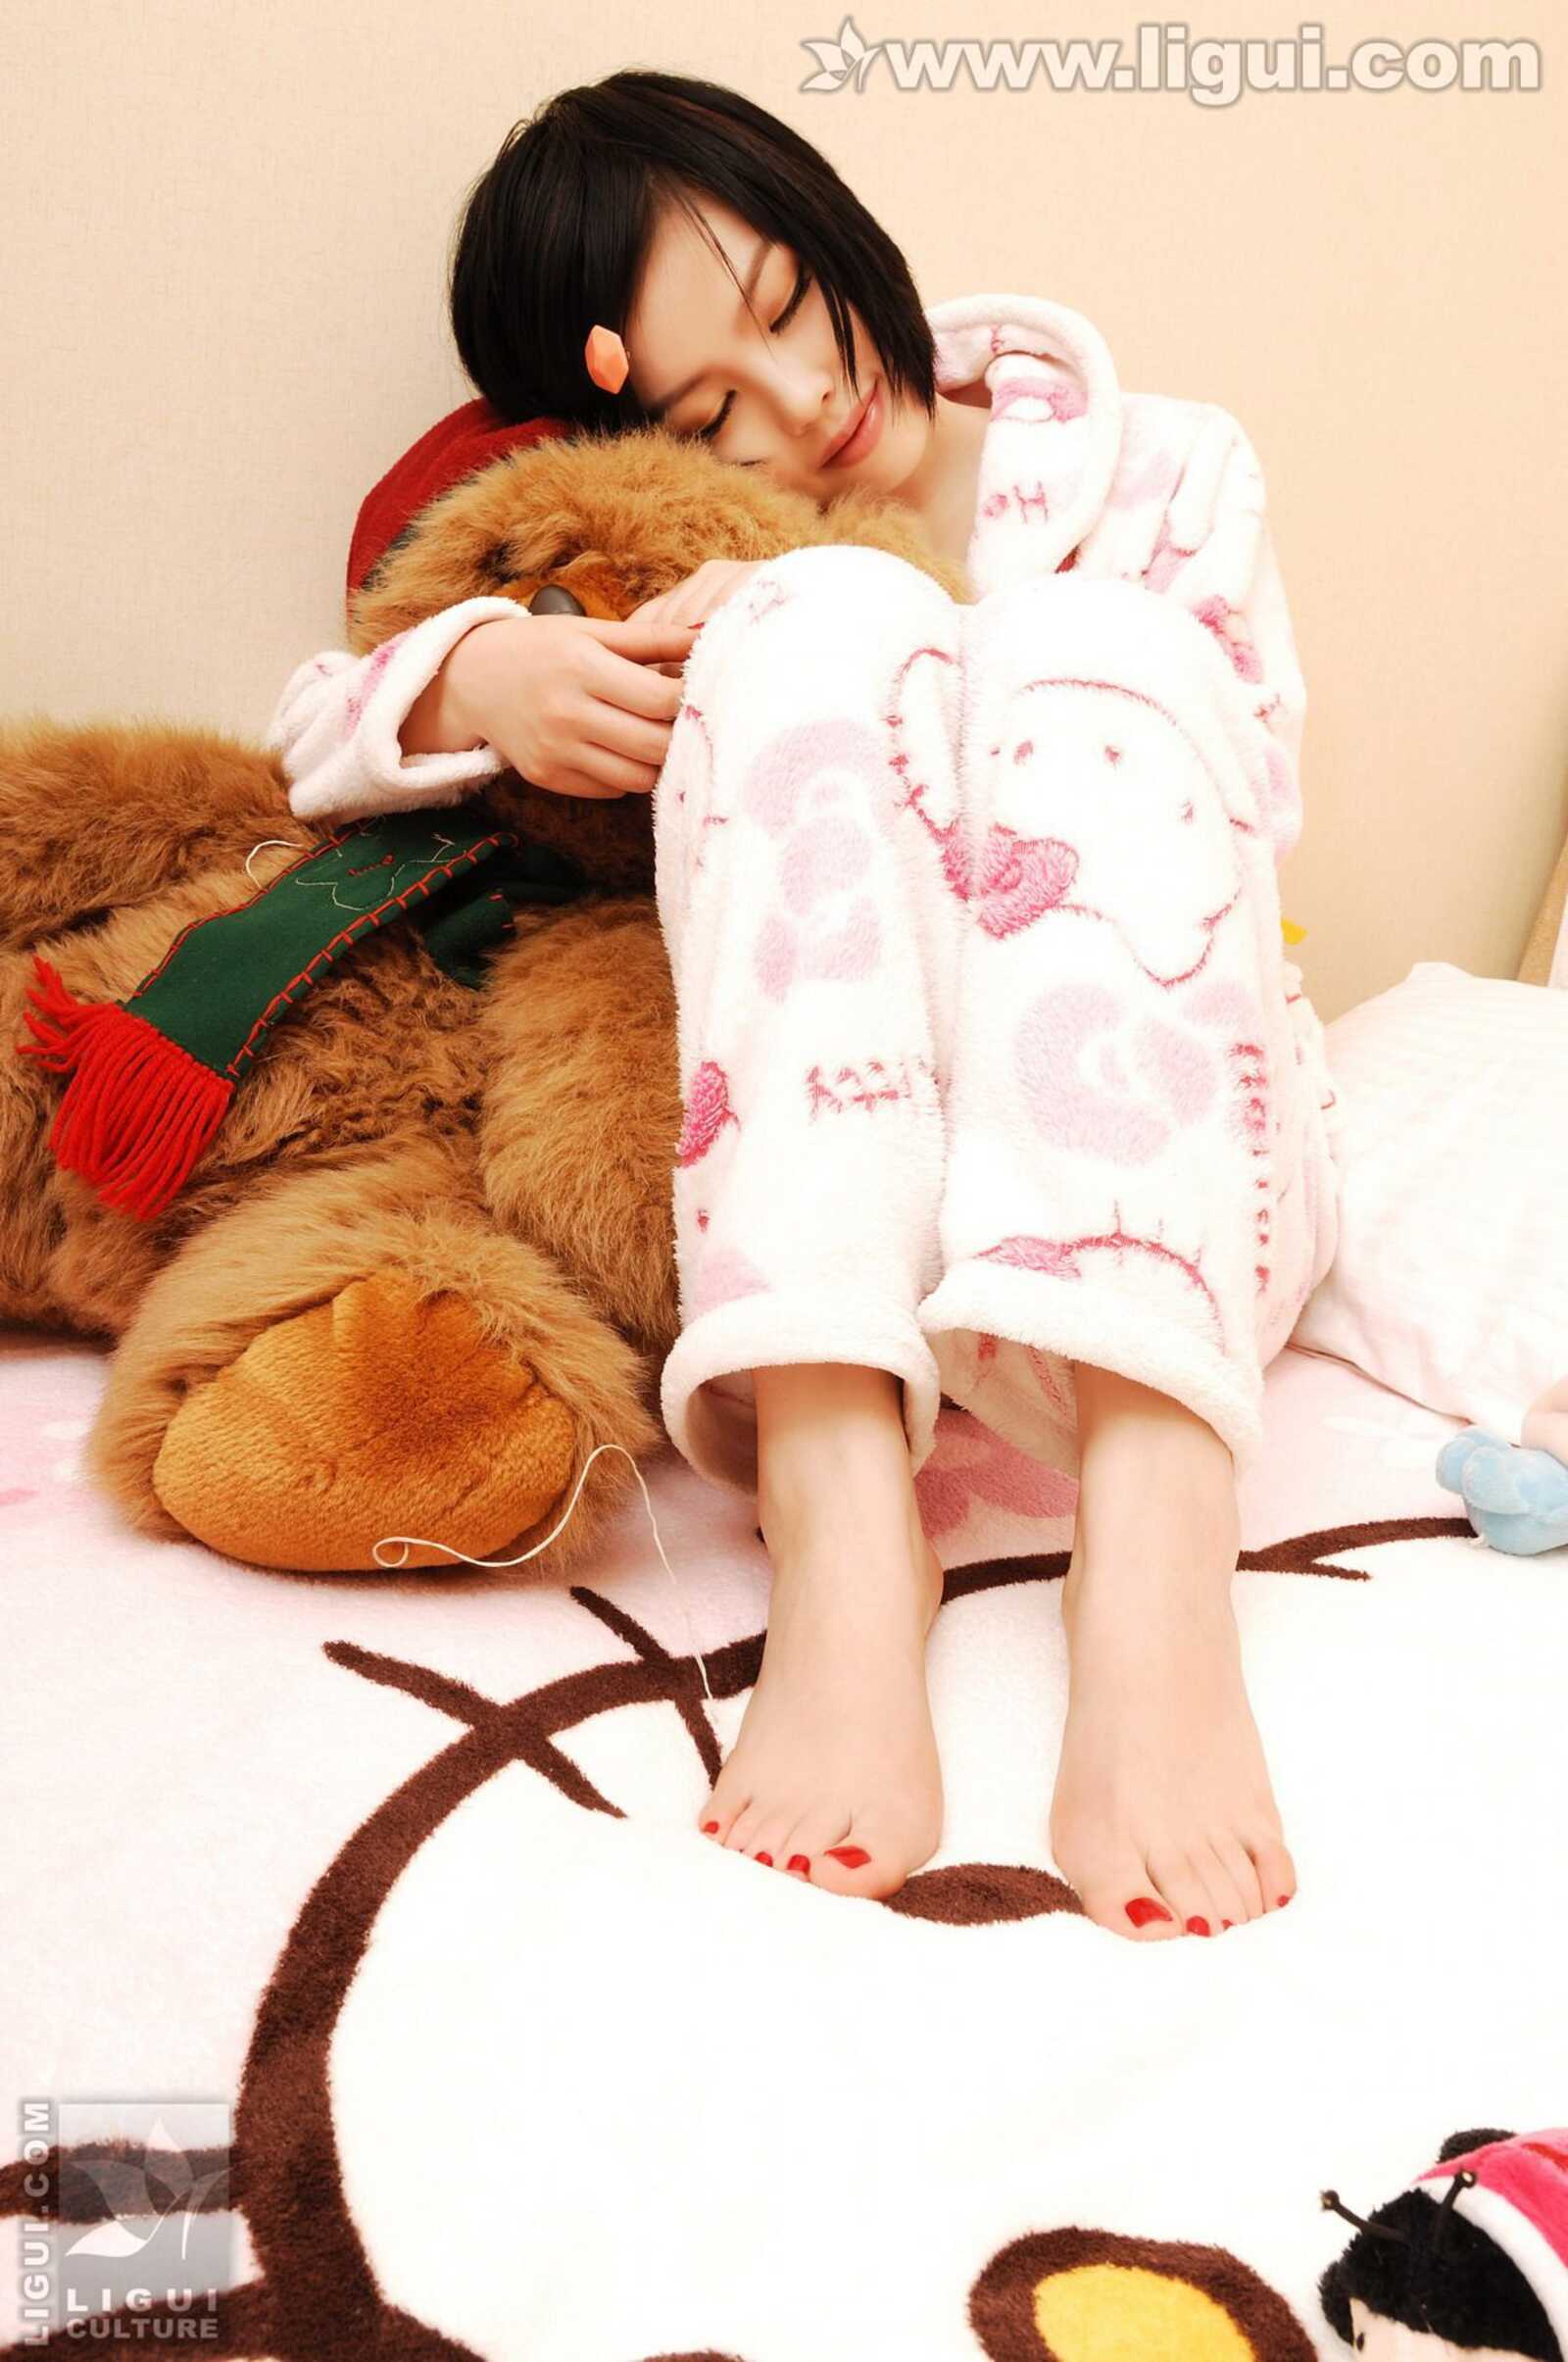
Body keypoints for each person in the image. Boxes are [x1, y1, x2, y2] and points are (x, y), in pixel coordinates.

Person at [266, 70, 1344, 1942]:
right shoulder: (733, 562)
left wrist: (974, 661)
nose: (800, 402)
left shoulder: (1168, 468)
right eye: (707, 415)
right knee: (807, 617)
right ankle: (843, 1522)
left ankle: (1154, 1549)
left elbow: (1230, 840)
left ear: (825, 216)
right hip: (852, 1174)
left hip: (1175, 1131)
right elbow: (312, 727)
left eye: (781, 306)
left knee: (1084, 638)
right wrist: (488, 672)